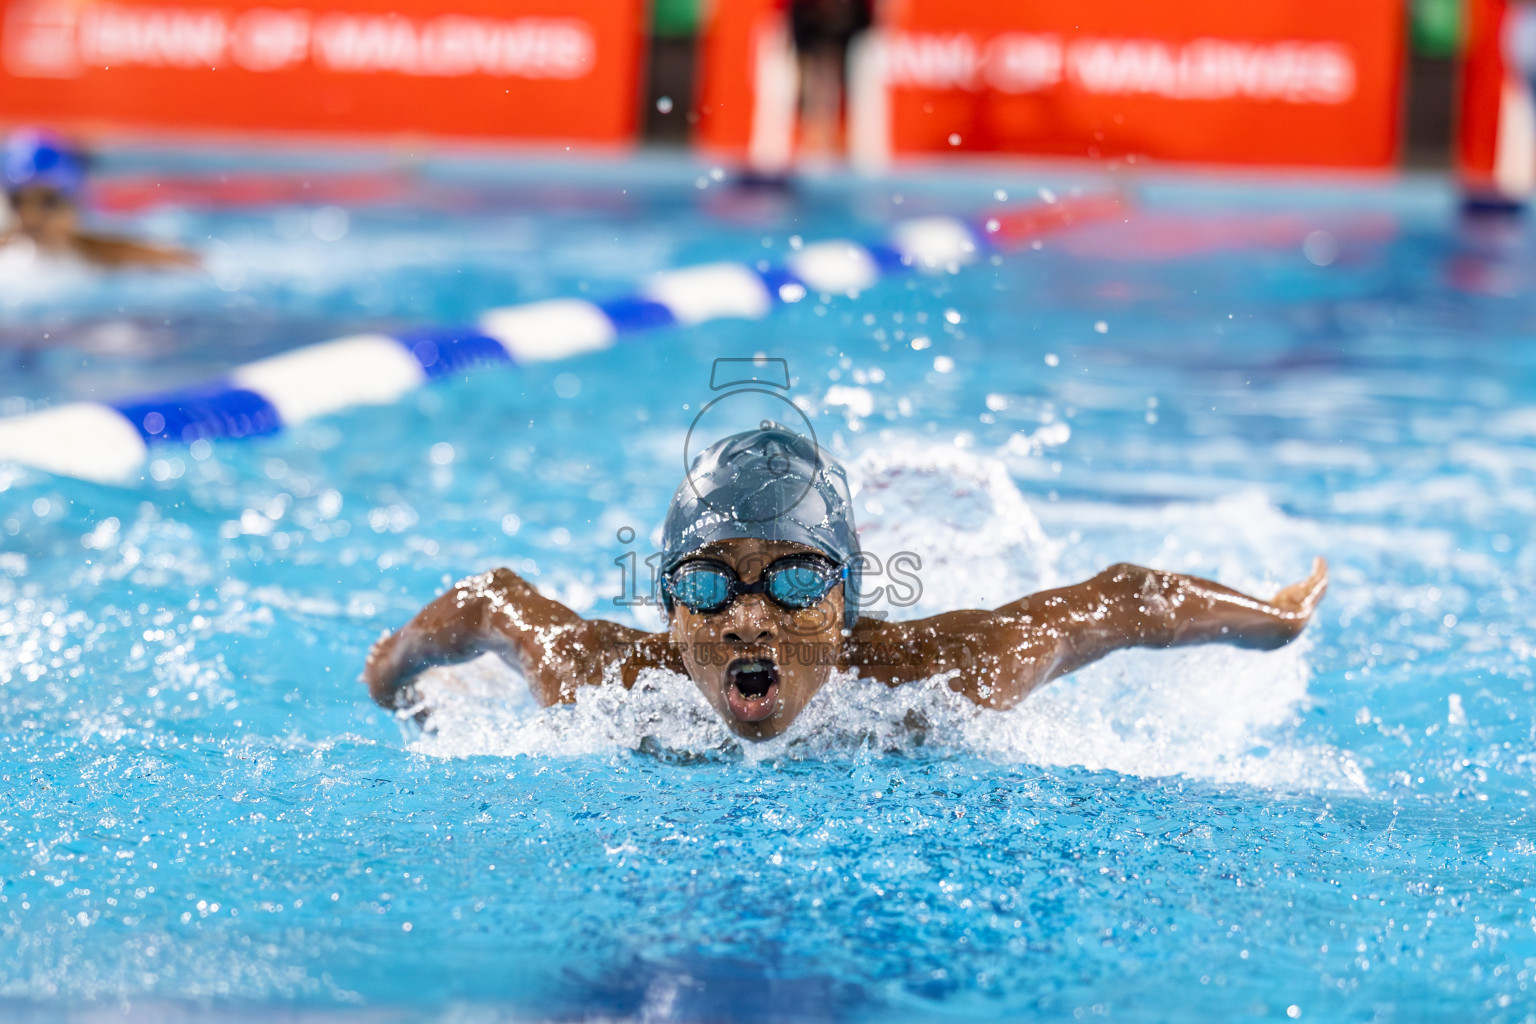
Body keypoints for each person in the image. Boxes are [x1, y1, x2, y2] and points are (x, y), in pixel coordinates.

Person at [364, 426, 1327, 741]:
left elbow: (1122, 600)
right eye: (705, 588)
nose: (747, 620)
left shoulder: (942, 675)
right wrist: (395, 678)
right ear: (665, 606)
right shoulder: (607, 683)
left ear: (845, 599)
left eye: (793, 581)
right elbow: (488, 599)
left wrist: (1274, 620)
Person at [2, 129, 197, 269]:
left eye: (48, 202)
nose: (30, 216)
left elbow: (190, 263)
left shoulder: (116, 256)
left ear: (76, 201)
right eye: (17, 201)